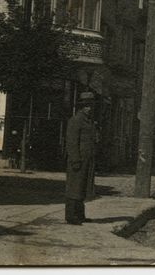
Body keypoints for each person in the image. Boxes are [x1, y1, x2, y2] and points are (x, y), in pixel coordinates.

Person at [65, 95, 97, 225]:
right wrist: (75, 159)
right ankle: (71, 216)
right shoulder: (76, 120)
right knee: (74, 187)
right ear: (81, 107)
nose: (89, 108)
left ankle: (79, 215)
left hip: (87, 160)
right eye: (86, 106)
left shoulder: (88, 121)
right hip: (78, 159)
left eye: (90, 105)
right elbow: (72, 142)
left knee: (82, 187)